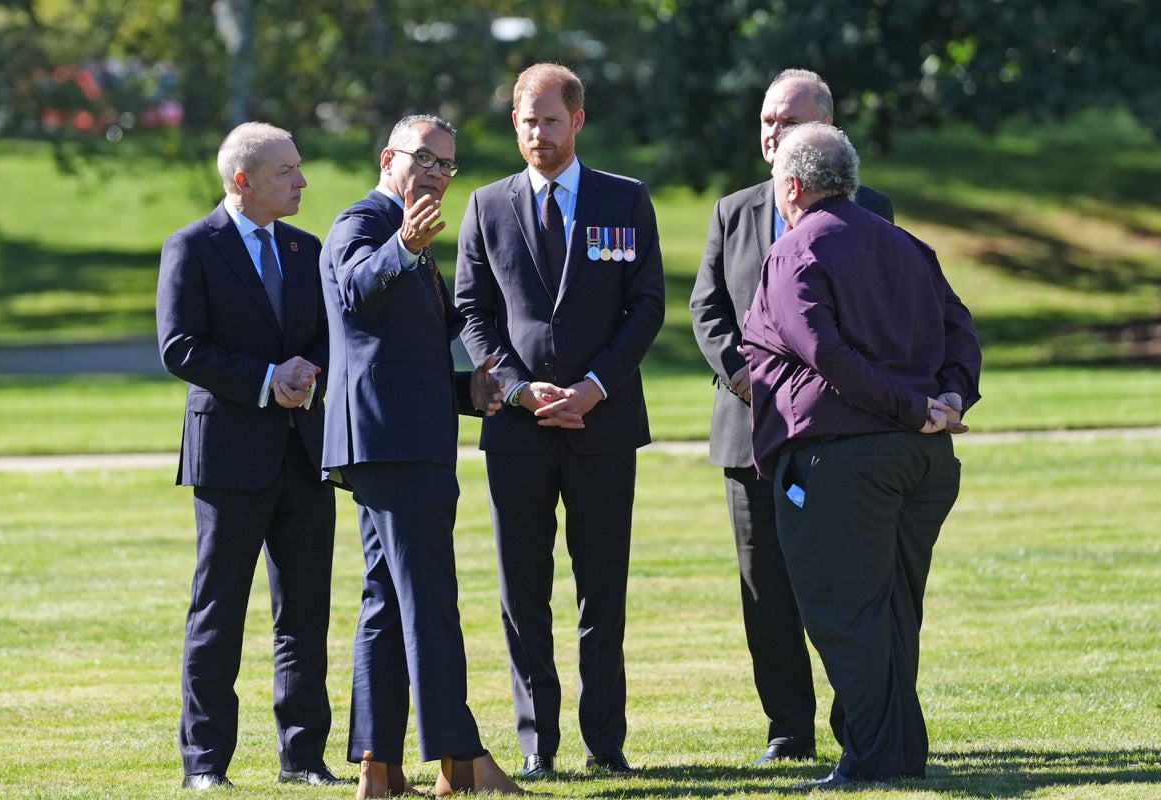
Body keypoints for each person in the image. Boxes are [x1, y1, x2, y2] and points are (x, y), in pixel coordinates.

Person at [740, 122, 981, 788]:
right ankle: (900, 758)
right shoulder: (909, 246)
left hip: (843, 460)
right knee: (896, 611)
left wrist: (913, 407)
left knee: (846, 612)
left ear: (791, 186)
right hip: (924, 461)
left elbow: (824, 353)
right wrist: (947, 401)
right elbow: (962, 334)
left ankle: (873, 761)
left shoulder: (795, 252)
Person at [453, 62, 665, 780]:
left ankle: (606, 744)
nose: (537, 133)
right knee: (523, 592)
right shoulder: (486, 206)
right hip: (518, 430)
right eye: (525, 121)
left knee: (601, 590)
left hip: (602, 428)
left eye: (550, 120)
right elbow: (472, 313)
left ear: (577, 121)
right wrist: (515, 388)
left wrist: (597, 386)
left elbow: (647, 306)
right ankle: (536, 746)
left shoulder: (625, 200)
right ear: (513, 125)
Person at [689, 67, 895, 765]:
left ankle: (856, 730)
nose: (773, 133)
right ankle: (787, 732)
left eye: (790, 121)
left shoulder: (873, 209)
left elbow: (873, 315)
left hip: (835, 436)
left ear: (826, 133)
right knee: (764, 589)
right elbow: (706, 307)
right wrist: (741, 372)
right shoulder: (733, 210)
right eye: (768, 119)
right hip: (748, 433)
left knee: (842, 584)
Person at [318, 113, 525, 798]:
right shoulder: (366, 222)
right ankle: (461, 764)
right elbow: (352, 289)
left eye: (447, 166)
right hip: (395, 446)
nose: (436, 173)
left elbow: (404, 355)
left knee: (385, 602)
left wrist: (474, 389)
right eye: (425, 159)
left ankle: (379, 769)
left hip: (399, 439)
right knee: (430, 599)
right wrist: (403, 245)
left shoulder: (413, 240)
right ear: (388, 158)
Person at [156, 122, 345, 790]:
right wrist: (269, 378)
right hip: (230, 459)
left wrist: (307, 372)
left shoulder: (305, 248)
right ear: (243, 179)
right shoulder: (191, 247)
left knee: (305, 615)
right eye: (286, 171)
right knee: (219, 612)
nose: (301, 181)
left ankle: (303, 759)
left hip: (303, 454)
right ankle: (205, 765)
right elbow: (181, 347)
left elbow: (328, 335)